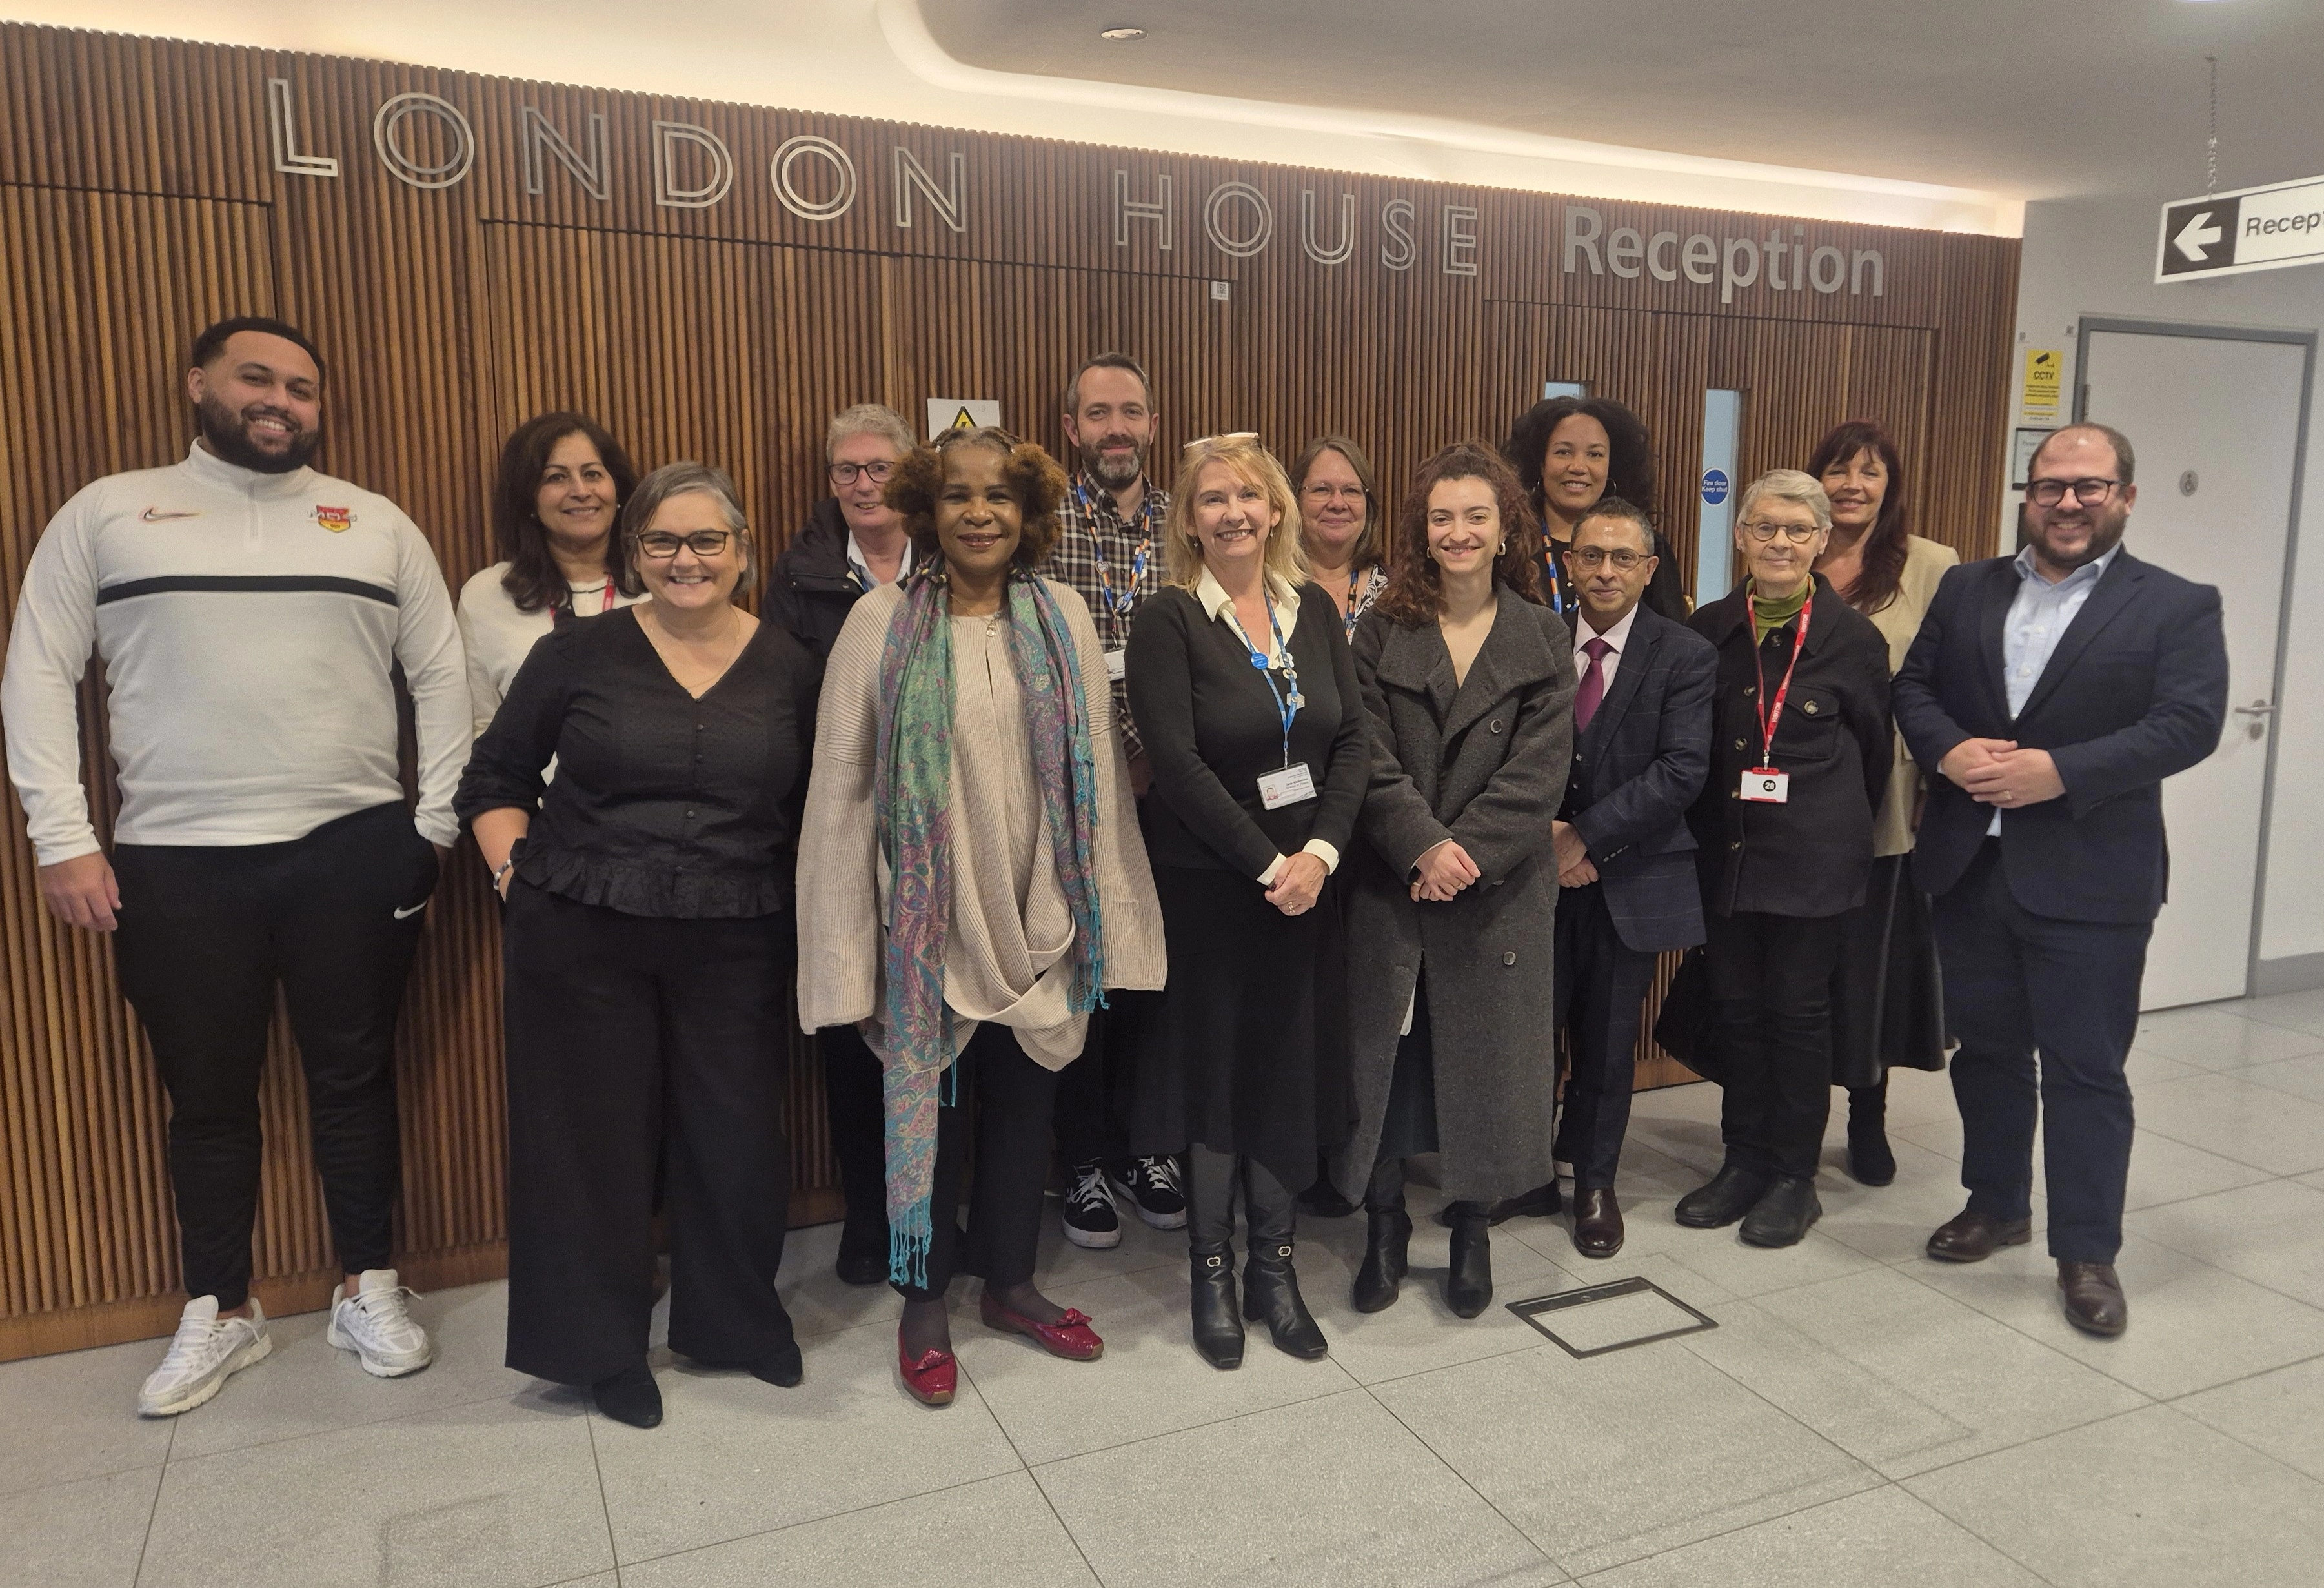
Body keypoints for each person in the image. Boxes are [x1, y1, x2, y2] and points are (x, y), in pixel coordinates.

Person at [1, 315, 464, 1415]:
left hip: (355, 849)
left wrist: (433, 827)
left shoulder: (378, 524)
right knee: (204, 1098)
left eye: (303, 388)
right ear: (198, 381)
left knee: (353, 1080)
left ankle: (369, 1284)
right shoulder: (107, 513)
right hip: (175, 859)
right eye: (258, 379)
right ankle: (221, 1306)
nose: (282, 402)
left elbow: (443, 679)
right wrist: (60, 836)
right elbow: (35, 673)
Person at [797, 427, 1164, 1407]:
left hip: (1040, 916)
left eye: (999, 495)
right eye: (957, 495)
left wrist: (1112, 927)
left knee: (1023, 1113)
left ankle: (1008, 1284)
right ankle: (924, 1298)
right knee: (939, 1115)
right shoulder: (879, 621)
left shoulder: (1066, 617)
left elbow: (1101, 785)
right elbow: (841, 790)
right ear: (927, 509)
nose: (978, 512)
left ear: (1027, 511)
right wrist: (840, 952)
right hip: (930, 931)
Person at [460, 462, 816, 1430]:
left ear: (743, 553)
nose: (685, 559)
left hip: (738, 936)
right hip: (583, 931)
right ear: (634, 555)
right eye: (662, 541)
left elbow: (821, 808)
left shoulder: (789, 662)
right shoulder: (577, 654)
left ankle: (734, 1323)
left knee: (735, 1140)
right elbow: (491, 777)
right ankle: (597, 1350)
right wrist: (512, 879)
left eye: (708, 541)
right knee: (590, 1145)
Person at [1895, 423, 2227, 1338]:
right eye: (2050, 486)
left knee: (2085, 1071)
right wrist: (1951, 749)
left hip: (2091, 878)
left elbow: (2188, 725)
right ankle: (1997, 1203)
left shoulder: (2175, 605)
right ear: (2028, 495)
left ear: (2123, 495)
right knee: (1989, 1053)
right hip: (1972, 866)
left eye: (2090, 487)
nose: (2068, 503)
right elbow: (1913, 689)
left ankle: (2087, 1251)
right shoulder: (1967, 588)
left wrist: (2062, 771)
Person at [1126, 433, 1367, 1369]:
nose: (1233, 513)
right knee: (1217, 1079)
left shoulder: (1312, 611)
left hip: (1310, 886)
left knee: (1285, 1073)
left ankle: (1276, 1269)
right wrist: (1270, 869)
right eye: (1212, 499)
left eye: (1249, 497)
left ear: (1277, 512)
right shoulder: (1168, 620)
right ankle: (1211, 1272)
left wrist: (1318, 854)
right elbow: (1177, 766)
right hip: (1216, 891)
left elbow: (1350, 745)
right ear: (1189, 519)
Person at [1338, 442, 1575, 1317]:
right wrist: (1421, 847)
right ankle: (1385, 1224)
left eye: (1476, 515)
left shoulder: (1543, 633)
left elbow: (1539, 771)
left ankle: (1472, 1229)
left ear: (1505, 525)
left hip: (1495, 896)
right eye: (1442, 516)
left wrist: (1464, 852)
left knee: (1487, 1069)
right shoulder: (1380, 627)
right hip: (1395, 886)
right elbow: (1365, 754)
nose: (1459, 531)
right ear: (1421, 529)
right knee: (1391, 1069)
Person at [1677, 469, 1890, 1248]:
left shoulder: (1853, 641)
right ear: (1739, 536)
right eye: (1764, 528)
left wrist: (1828, 831)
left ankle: (1795, 1178)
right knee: (1736, 1009)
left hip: (1812, 862)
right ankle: (1743, 1158)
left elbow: (1871, 755)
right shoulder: (1706, 629)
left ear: (1821, 542)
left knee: (1798, 1018)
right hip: (1728, 858)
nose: (1779, 543)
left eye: (1797, 531)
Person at [764, 402, 918, 1288]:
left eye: (880, 469)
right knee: (853, 1029)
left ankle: (932, 1210)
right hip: (842, 830)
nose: (863, 485)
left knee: (947, 1029)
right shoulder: (802, 578)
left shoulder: (953, 559)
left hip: (943, 832)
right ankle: (869, 1217)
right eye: (847, 471)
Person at [1548, 497, 1717, 1259]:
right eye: (1591, 555)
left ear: (1649, 569)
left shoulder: (1684, 655)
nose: (1605, 570)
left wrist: (1583, 838)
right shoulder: (1537, 642)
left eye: (1623, 558)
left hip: (1629, 878)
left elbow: (1682, 771)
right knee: (1528, 1035)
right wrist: (1544, 840)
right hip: (1536, 880)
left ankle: (1593, 1181)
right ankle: (1521, 1170)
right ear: (1568, 562)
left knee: (1609, 1044)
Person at [1045, 353, 1184, 1247]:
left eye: (1130, 411)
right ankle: (1081, 1159)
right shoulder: (1039, 525)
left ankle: (1148, 1147)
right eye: (1099, 414)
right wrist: (1110, 760)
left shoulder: (1188, 526)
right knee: (1086, 977)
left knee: (1158, 979)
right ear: (1072, 429)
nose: (1117, 429)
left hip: (1175, 792)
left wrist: (1161, 762)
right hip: (1071, 792)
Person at [1808, 420, 1958, 1186]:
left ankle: (1867, 1118)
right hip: (1794, 810)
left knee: (1871, 969)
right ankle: (1789, 1120)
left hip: (1888, 801)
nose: (1852, 486)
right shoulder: (1791, 552)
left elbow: (1946, 685)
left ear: (1889, 486)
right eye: (1838, 470)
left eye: (1869, 472)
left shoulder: (1930, 567)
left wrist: (1938, 786)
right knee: (1800, 971)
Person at [457, 411, 646, 740]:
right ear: (528, 498)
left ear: (617, 490)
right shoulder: (487, 596)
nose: (581, 490)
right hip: (535, 791)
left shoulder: (658, 586)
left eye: (592, 474)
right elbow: (480, 727)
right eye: (556, 478)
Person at [1502, 395, 1688, 624]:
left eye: (1595, 455)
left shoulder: (1647, 548)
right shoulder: (1509, 546)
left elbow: (1669, 641)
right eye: (1563, 452)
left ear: (1612, 466)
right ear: (1540, 464)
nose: (1578, 467)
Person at [1294, 434, 1389, 638]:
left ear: (1368, 505)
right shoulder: (1268, 589)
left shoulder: (1396, 596)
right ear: (1295, 500)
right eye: (1321, 489)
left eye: (1351, 491)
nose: (1338, 503)